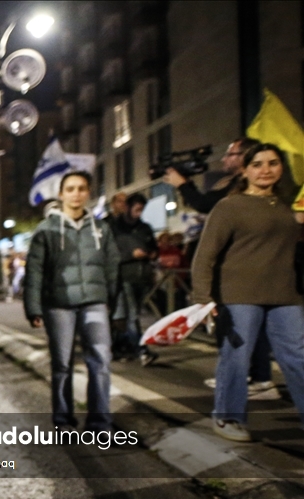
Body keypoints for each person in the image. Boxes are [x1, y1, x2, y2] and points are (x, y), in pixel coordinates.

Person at [190, 143, 304, 442]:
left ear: (282, 168)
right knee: (237, 358)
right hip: (238, 295)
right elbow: (205, 256)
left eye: (273, 163)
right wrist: (202, 298)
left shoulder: (287, 206)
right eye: (257, 164)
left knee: (298, 358)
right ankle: (227, 417)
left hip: (286, 294)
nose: (266, 169)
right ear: (245, 169)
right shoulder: (230, 206)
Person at [23, 170, 120, 430]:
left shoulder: (101, 229)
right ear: (61, 194)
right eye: (71, 189)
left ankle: (100, 422)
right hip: (58, 305)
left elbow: (112, 267)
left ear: (88, 193)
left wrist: (113, 301)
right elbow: (35, 271)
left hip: (95, 301)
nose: (76, 193)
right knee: (61, 364)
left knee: (100, 361)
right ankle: (63, 420)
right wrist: (33, 307)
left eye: (81, 188)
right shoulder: (47, 229)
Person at [109, 193, 159, 365]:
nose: (139, 213)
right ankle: (142, 350)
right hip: (125, 276)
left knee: (131, 314)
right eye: (136, 209)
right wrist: (130, 255)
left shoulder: (145, 228)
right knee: (131, 315)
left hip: (142, 277)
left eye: (141, 210)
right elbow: (111, 253)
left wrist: (152, 254)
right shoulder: (115, 227)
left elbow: (154, 247)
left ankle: (119, 346)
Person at [164, 137, 260, 214]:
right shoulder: (234, 181)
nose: (223, 159)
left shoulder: (247, 183)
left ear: (244, 156)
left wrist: (181, 184)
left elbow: (205, 204)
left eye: (229, 155)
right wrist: (187, 184)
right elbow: (205, 200)